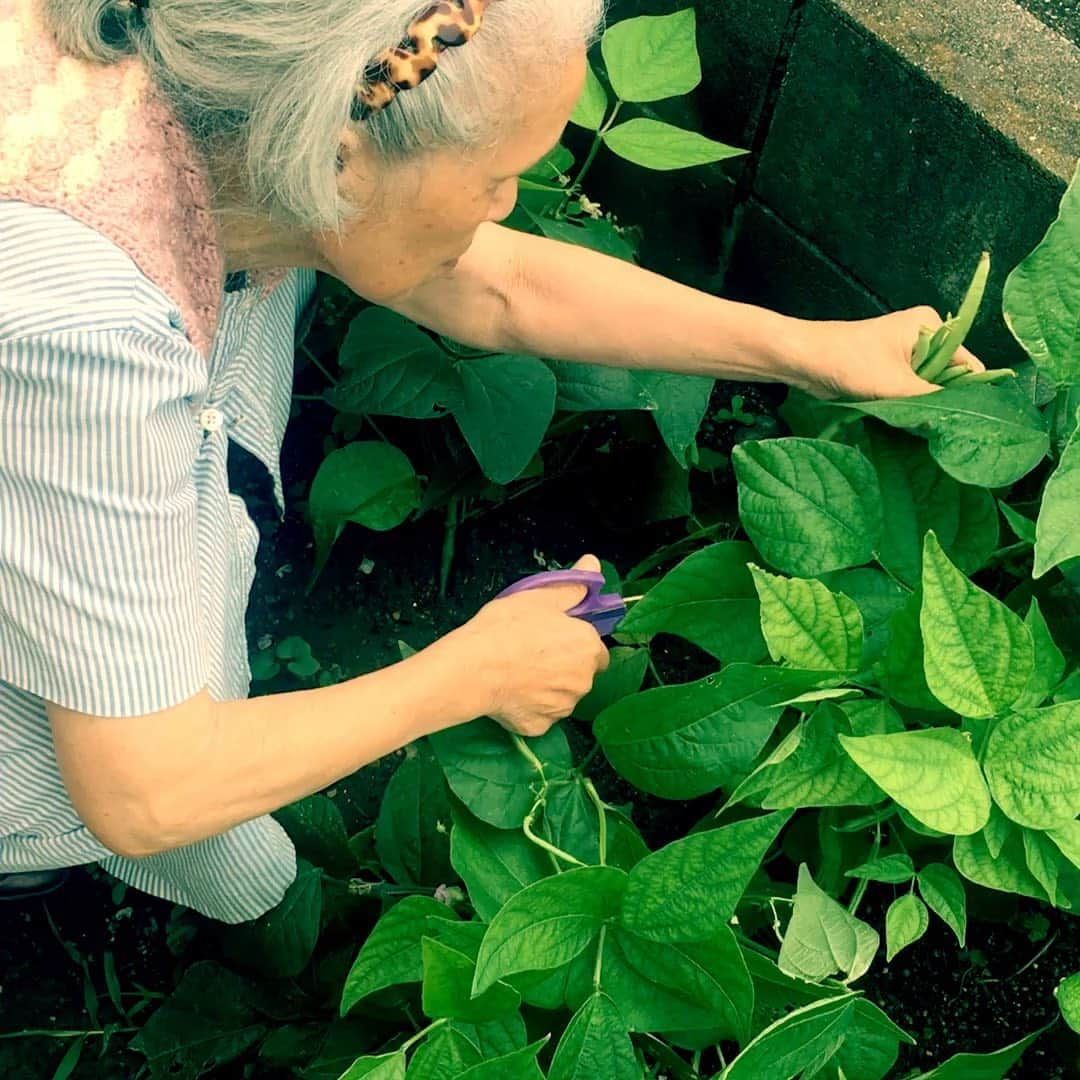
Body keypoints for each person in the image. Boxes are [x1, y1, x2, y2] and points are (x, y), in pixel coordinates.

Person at [0, 0, 982, 921]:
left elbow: (496, 284)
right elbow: (150, 786)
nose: (511, 207)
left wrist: (807, 347)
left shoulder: (214, 70)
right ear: (341, 161)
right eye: (494, 180)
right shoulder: (85, 347)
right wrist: (475, 671)